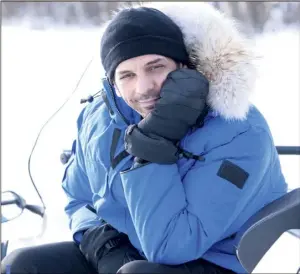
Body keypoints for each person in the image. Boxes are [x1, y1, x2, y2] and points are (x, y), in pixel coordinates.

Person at [1, 2, 288, 274]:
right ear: (112, 83)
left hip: (219, 259)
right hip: (128, 246)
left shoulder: (238, 131)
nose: (143, 88)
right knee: (23, 264)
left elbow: (174, 246)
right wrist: (102, 242)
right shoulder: (101, 118)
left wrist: (153, 148)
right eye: (126, 75)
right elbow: (78, 198)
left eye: (156, 67)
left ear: (184, 67)